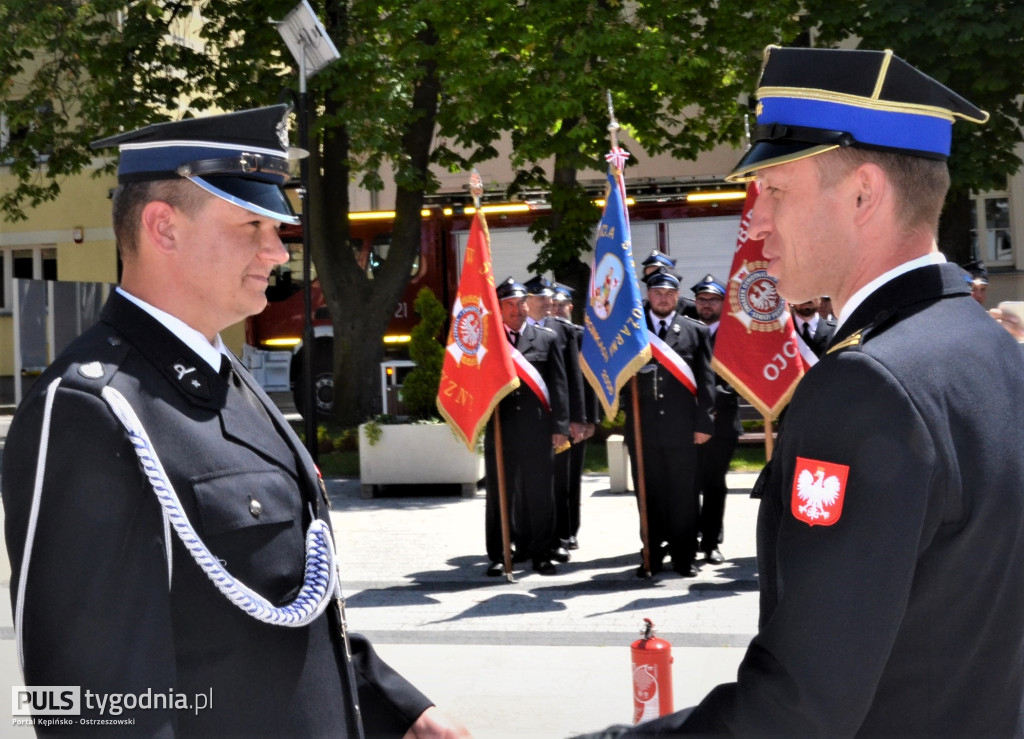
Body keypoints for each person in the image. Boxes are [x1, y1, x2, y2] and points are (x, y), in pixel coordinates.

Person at [586, 45, 1024, 734]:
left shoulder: (868, 385)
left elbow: (797, 709)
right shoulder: (993, 350)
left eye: (775, 190)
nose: (753, 220)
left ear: (862, 194)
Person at [1, 106, 468, 738]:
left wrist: (397, 708)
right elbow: (91, 700)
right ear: (162, 227)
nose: (277, 250)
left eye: (274, 226)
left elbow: (280, 603)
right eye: (251, 223)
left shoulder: (231, 378)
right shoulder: (92, 409)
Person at [621, 270, 715, 578]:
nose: (663, 298)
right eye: (657, 293)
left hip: (682, 430)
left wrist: (704, 424)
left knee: (683, 494)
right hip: (642, 430)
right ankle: (651, 554)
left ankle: (684, 556)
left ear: (677, 297)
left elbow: (706, 381)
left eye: (669, 293)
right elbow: (618, 377)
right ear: (648, 296)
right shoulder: (631, 330)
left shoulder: (695, 331)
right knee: (649, 495)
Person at [484, 277, 570, 577]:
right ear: (498, 308)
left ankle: (541, 552)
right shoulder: (487, 341)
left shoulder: (545, 338)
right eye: (508, 305)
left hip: (538, 430)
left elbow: (559, 385)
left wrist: (560, 426)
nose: (516, 310)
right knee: (499, 496)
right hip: (501, 430)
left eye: (520, 304)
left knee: (540, 495)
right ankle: (499, 553)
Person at [522, 275, 584, 564]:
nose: (549, 303)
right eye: (543, 298)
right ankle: (521, 539)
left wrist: (578, 419)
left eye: (551, 299)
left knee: (558, 482)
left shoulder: (563, 330)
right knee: (523, 484)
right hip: (524, 420)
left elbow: (574, 377)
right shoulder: (513, 330)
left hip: (556, 420)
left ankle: (559, 538)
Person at [690, 274, 740, 564]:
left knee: (714, 482)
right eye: (702, 299)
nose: (707, 305)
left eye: (713, 300)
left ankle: (710, 542)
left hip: (722, 422)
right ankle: (690, 534)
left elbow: (739, 377)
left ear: (723, 303)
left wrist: (711, 404)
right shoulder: (689, 331)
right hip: (689, 421)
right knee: (688, 481)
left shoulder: (735, 335)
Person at [551, 282, 600, 550]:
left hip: (575, 420)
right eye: (554, 305)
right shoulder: (543, 334)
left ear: (571, 307)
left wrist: (590, 419)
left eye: (563, 305)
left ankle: (570, 531)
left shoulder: (581, 336)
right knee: (551, 480)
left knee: (569, 481)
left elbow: (589, 382)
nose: (558, 310)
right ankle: (551, 531)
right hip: (550, 421)